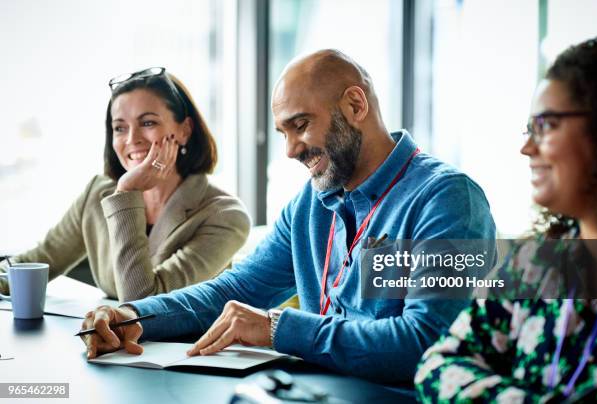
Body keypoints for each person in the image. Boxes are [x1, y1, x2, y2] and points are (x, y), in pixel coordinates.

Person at [81, 50, 496, 383]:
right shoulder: (311, 204)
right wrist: (136, 315)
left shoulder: (448, 199)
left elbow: (426, 343)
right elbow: (237, 290)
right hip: (314, 392)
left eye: (300, 125)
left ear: (355, 105)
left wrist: (280, 328)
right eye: (283, 132)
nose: (291, 150)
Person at [415, 34, 597, 402]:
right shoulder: (534, 263)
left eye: (546, 125)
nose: (526, 148)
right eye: (529, 128)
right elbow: (437, 365)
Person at [0, 67, 250, 302]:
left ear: (184, 130)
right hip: (108, 345)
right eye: (120, 128)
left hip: (184, 347)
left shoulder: (226, 216)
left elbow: (142, 303)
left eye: (148, 123)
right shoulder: (97, 194)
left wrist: (128, 193)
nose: (132, 139)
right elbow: (36, 261)